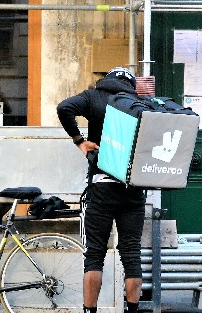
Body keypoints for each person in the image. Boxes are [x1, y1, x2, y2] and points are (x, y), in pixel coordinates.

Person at [56, 66, 145, 313]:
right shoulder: (138, 104)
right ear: (131, 85)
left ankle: (90, 311)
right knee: (131, 254)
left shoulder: (93, 97)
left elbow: (64, 108)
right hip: (133, 189)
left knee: (94, 255)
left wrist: (79, 141)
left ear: (108, 80)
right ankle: (133, 310)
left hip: (101, 187)